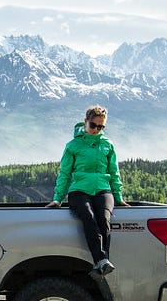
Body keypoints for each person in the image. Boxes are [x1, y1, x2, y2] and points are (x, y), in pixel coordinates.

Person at [46, 105, 129, 275]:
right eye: (93, 125)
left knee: (104, 219)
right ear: (85, 122)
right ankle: (102, 260)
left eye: (101, 127)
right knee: (88, 217)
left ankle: (102, 262)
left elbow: (114, 173)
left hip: (103, 189)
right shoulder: (73, 146)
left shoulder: (107, 145)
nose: (96, 130)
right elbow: (64, 174)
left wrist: (118, 197)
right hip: (79, 190)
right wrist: (58, 198)